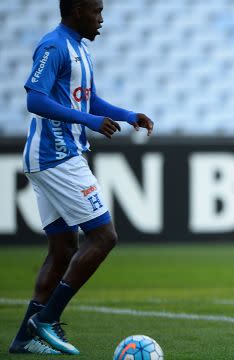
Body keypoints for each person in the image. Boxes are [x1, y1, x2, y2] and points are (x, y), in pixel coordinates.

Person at [8, 0, 154, 355]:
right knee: (103, 236)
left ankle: (24, 339)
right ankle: (46, 320)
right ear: (76, 11)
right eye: (96, 11)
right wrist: (88, 122)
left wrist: (128, 114)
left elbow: (87, 101)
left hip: (56, 157)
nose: (101, 20)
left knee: (63, 249)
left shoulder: (79, 50)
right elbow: (35, 100)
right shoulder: (54, 46)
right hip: (56, 155)